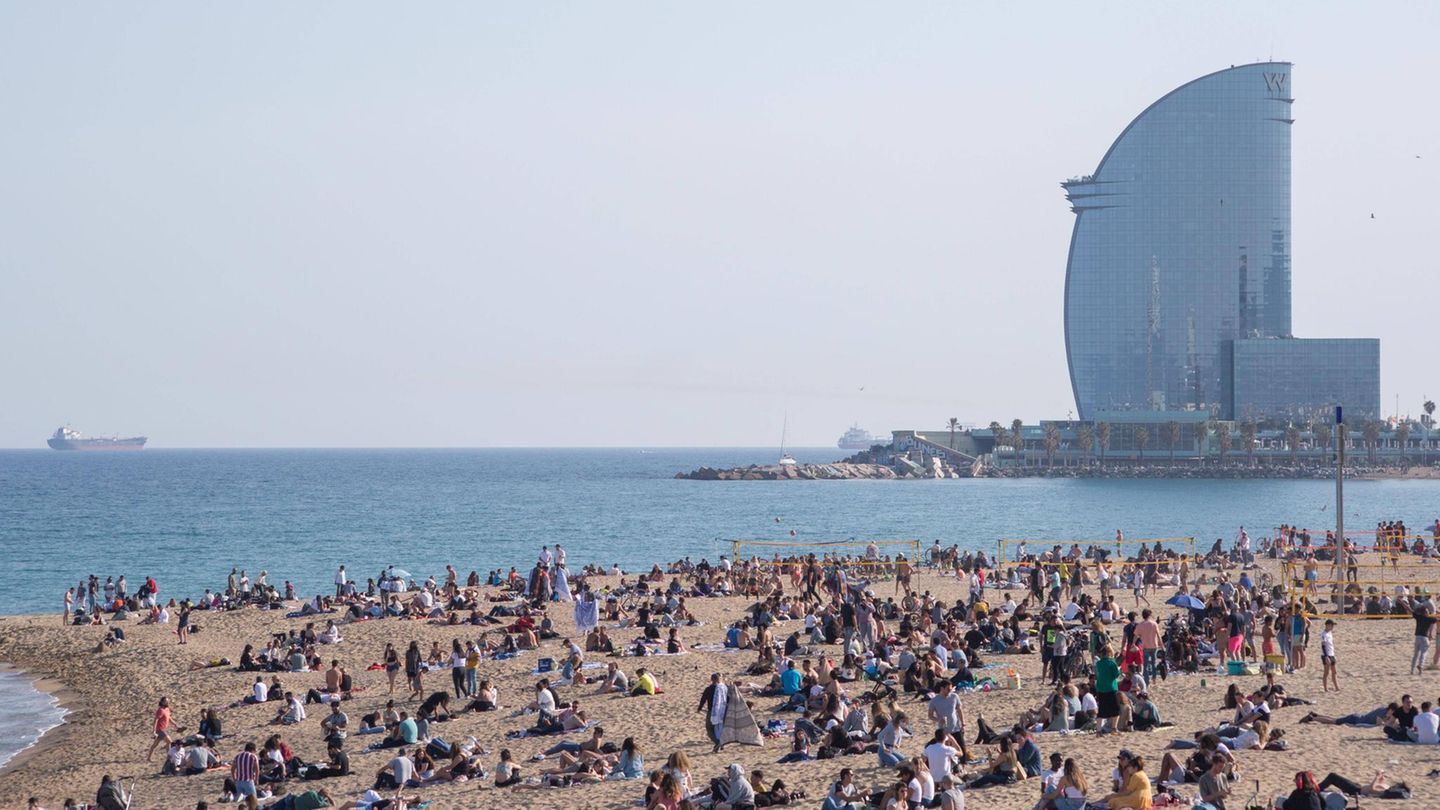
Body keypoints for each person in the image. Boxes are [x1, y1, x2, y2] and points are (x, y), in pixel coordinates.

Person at [1319, 619, 1338, 692]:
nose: (1332, 627)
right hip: (1326, 655)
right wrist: (1326, 656)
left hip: (1331, 654)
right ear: (1327, 625)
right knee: (1326, 672)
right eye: (1332, 625)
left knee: (1334, 671)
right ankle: (1325, 688)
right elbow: (1323, 646)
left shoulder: (1330, 633)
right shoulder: (1323, 634)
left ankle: (1336, 687)